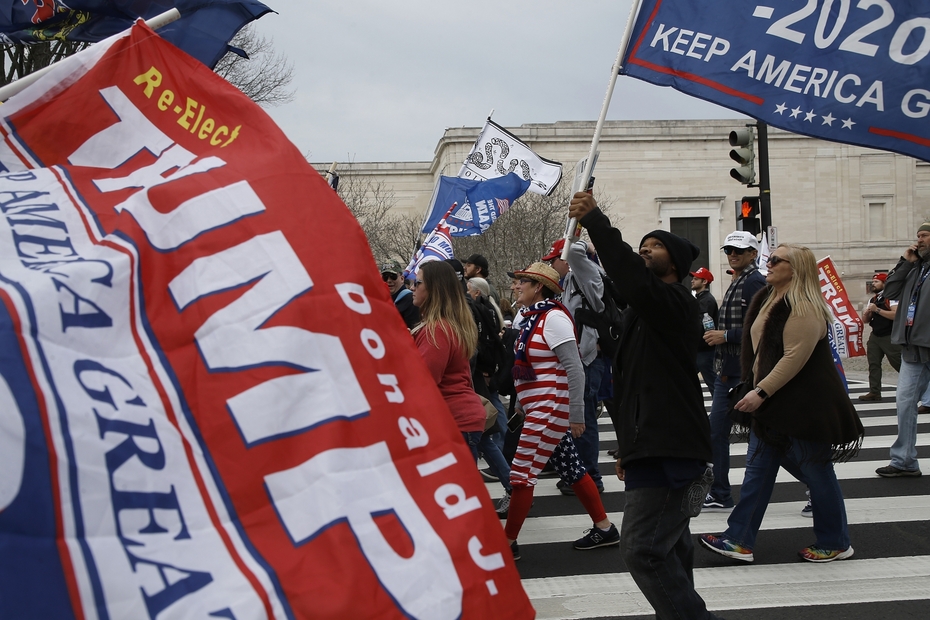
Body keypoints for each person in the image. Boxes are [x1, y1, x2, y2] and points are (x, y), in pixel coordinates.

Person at [569, 192, 718, 620]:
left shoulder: (674, 303)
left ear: (674, 262)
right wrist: (628, 451)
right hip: (654, 444)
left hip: (670, 447)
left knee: (643, 550)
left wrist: (596, 220)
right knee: (670, 548)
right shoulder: (643, 313)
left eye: (652, 246)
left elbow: (630, 277)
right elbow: (634, 385)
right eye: (642, 246)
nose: (643, 250)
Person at [699, 244, 864, 564]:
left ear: (796, 269)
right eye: (769, 258)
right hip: (774, 405)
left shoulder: (804, 306)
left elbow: (794, 360)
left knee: (816, 472)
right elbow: (760, 351)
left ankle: (836, 541)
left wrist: (759, 392)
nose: (768, 263)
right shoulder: (769, 298)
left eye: (776, 260)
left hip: (802, 406)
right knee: (758, 471)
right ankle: (738, 539)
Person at [503, 262, 619, 561]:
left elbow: (574, 367)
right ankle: (604, 528)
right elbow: (530, 369)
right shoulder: (531, 318)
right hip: (539, 407)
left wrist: (577, 413)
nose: (516, 287)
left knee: (521, 475)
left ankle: (508, 543)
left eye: (522, 282)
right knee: (572, 468)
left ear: (537, 287)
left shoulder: (552, 318)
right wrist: (520, 402)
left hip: (550, 408)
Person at [702, 231, 767, 511]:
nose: (733, 254)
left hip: (742, 373)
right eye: (729, 249)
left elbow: (763, 328)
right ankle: (720, 492)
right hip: (728, 372)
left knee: (767, 437)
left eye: (739, 250)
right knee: (718, 433)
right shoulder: (739, 280)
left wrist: (725, 336)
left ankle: (816, 484)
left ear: (753, 254)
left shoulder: (754, 282)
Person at [543, 237, 612, 495]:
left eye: (553, 260)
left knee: (584, 418)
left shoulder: (587, 277)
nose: (550, 265)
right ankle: (577, 474)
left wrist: (584, 243)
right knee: (574, 418)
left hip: (587, 360)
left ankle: (591, 477)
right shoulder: (569, 282)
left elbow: (573, 250)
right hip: (578, 359)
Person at [411, 261, 487, 461]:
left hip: (453, 421)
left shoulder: (437, 330)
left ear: (434, 289)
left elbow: (424, 380)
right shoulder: (446, 325)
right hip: (459, 419)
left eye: (417, 283)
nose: (412, 287)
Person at [876, 223, 930, 478]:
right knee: (905, 402)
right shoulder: (915, 269)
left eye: (925, 236)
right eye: (918, 236)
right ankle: (904, 460)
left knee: (906, 401)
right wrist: (904, 262)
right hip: (913, 348)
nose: (919, 240)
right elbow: (890, 292)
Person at [860, 272, 901, 402]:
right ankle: (874, 391)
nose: (873, 284)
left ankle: (920, 387)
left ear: (885, 283)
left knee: (898, 363)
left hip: (889, 335)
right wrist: (867, 314)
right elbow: (866, 320)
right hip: (875, 335)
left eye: (876, 282)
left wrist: (877, 310)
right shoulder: (873, 299)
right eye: (872, 282)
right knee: (873, 364)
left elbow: (896, 315)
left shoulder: (892, 297)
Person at [691, 267, 718, 394]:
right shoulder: (701, 299)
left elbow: (701, 324)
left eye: (696, 279)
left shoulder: (706, 300)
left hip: (704, 350)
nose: (692, 280)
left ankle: (724, 410)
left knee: (713, 384)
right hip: (700, 349)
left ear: (704, 282)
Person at [382, 262, 420, 329]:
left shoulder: (411, 299)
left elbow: (414, 330)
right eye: (385, 277)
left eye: (393, 276)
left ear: (402, 278)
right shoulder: (383, 300)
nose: (389, 280)